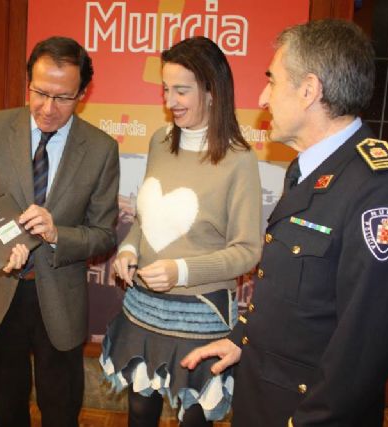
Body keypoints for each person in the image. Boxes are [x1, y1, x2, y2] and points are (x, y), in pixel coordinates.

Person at [181, 19, 388, 427]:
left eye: (272, 81)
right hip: (263, 396)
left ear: (309, 90)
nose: (263, 98)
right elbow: (290, 290)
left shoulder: (380, 191)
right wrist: (241, 339)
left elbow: (365, 346)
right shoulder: (308, 170)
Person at [0, 36, 119, 427]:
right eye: (40, 93)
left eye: (62, 98)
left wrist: (57, 233)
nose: (48, 108)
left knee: (61, 410)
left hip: (59, 299)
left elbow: (103, 234)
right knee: (7, 406)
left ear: (83, 93)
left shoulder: (100, 149)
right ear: (27, 82)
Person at [101, 36, 263, 426]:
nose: (170, 100)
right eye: (165, 89)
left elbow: (247, 251)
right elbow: (147, 219)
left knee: (194, 419)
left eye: (181, 90)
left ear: (211, 91)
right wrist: (129, 249)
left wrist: (182, 271)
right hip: (143, 308)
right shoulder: (160, 141)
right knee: (140, 412)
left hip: (201, 316)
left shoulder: (239, 159)